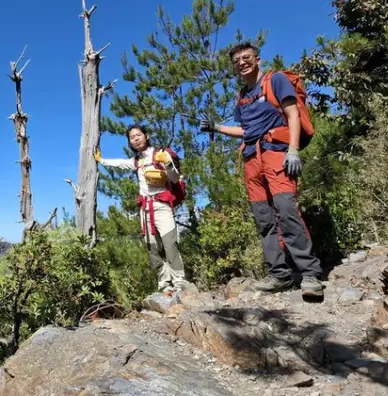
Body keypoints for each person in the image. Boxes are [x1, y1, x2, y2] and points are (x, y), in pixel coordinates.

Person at [200, 42, 324, 299]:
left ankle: (309, 273)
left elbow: (292, 114)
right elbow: (246, 131)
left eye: (246, 58)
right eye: (237, 61)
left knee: (287, 210)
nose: (242, 63)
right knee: (264, 219)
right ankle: (279, 274)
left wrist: (292, 150)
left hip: (276, 153)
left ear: (257, 59)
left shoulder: (275, 80)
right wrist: (217, 127)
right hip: (251, 159)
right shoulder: (242, 96)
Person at [94, 125, 190, 294]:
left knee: (170, 244)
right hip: (145, 209)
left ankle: (179, 280)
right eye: (132, 137)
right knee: (152, 247)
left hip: (162, 206)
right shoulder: (136, 161)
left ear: (147, 136)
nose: (136, 139)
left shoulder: (160, 154)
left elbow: (174, 178)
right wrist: (101, 161)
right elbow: (121, 163)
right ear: (130, 142)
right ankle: (164, 282)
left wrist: (166, 163)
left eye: (139, 135)